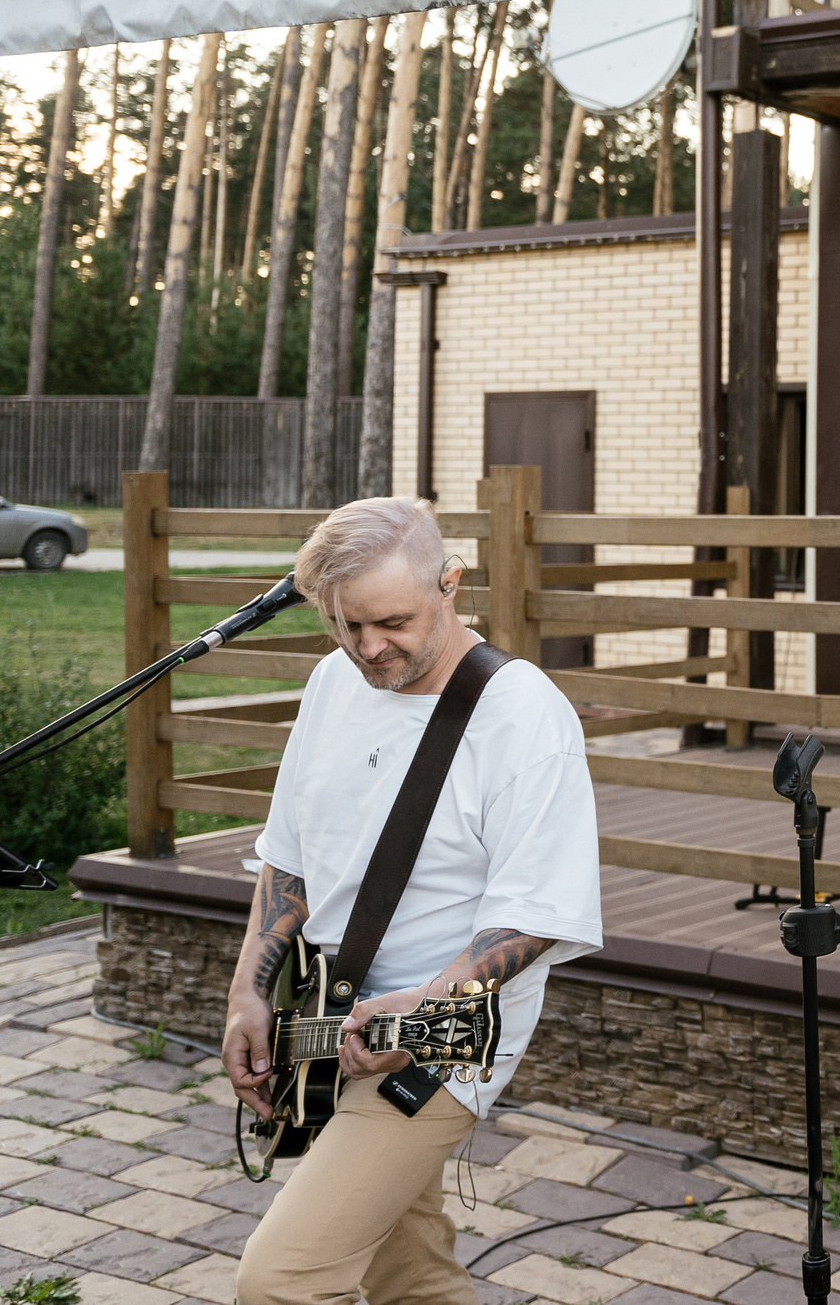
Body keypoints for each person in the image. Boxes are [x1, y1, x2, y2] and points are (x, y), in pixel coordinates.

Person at [225, 498, 603, 1305]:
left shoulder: (520, 713)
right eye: (346, 624)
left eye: (391, 621)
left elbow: (536, 914)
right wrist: (246, 993)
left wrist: (431, 1006)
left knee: (280, 1279)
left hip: (442, 1038)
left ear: (451, 583)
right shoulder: (333, 680)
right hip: (325, 1014)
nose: (369, 647)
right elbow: (286, 861)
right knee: (411, 1273)